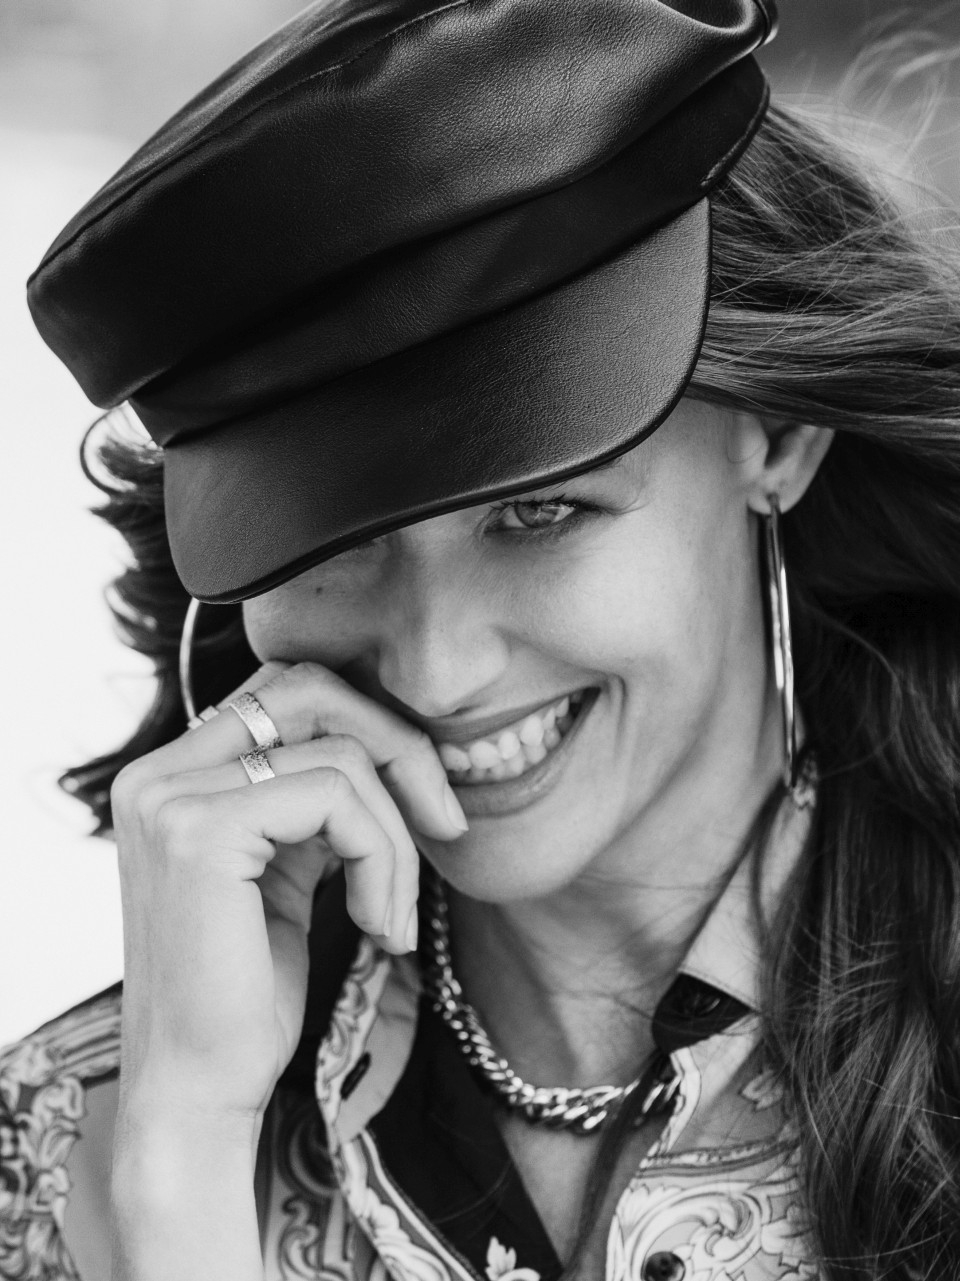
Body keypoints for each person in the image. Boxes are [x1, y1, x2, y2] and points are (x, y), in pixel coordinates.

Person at [3, 0, 960, 1277]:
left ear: (778, 439)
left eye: (541, 512)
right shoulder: (63, 1149)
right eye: (336, 543)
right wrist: (181, 1156)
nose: (435, 670)